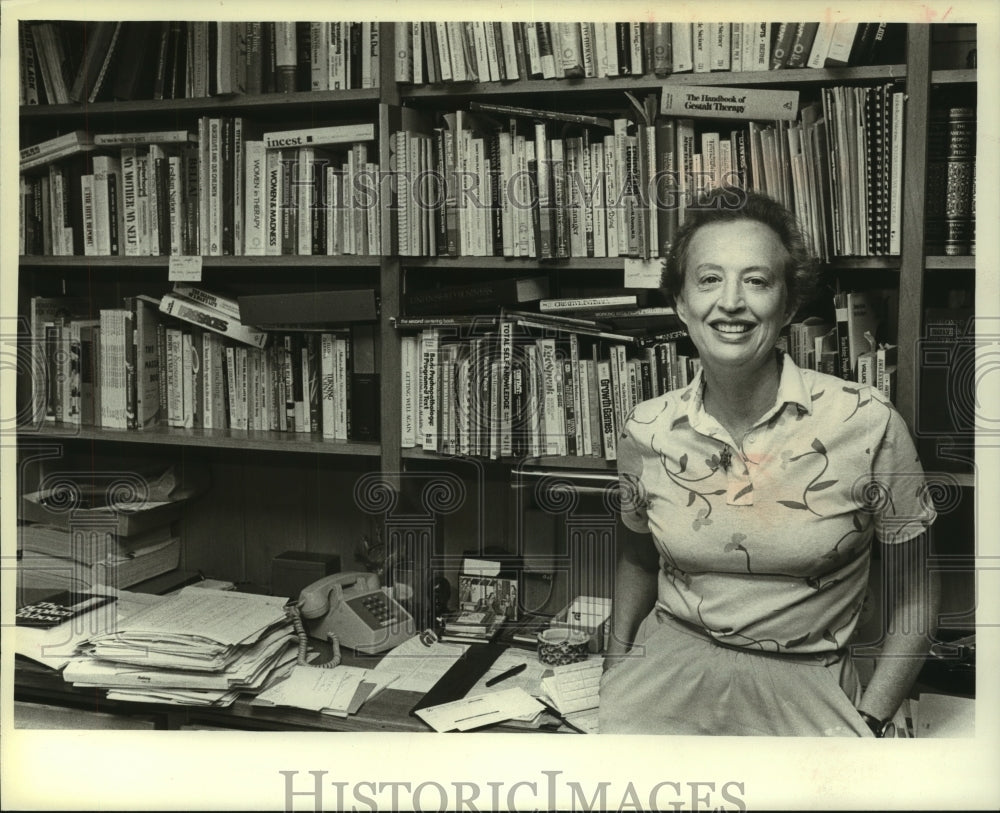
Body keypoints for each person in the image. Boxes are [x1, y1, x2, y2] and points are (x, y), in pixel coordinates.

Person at [599, 188, 940, 736]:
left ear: (787, 305)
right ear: (681, 302)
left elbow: (917, 594)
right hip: (659, 683)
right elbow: (638, 559)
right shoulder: (646, 427)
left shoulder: (866, 421)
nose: (730, 302)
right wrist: (615, 671)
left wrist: (872, 716)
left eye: (756, 281)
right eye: (709, 279)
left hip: (811, 686)